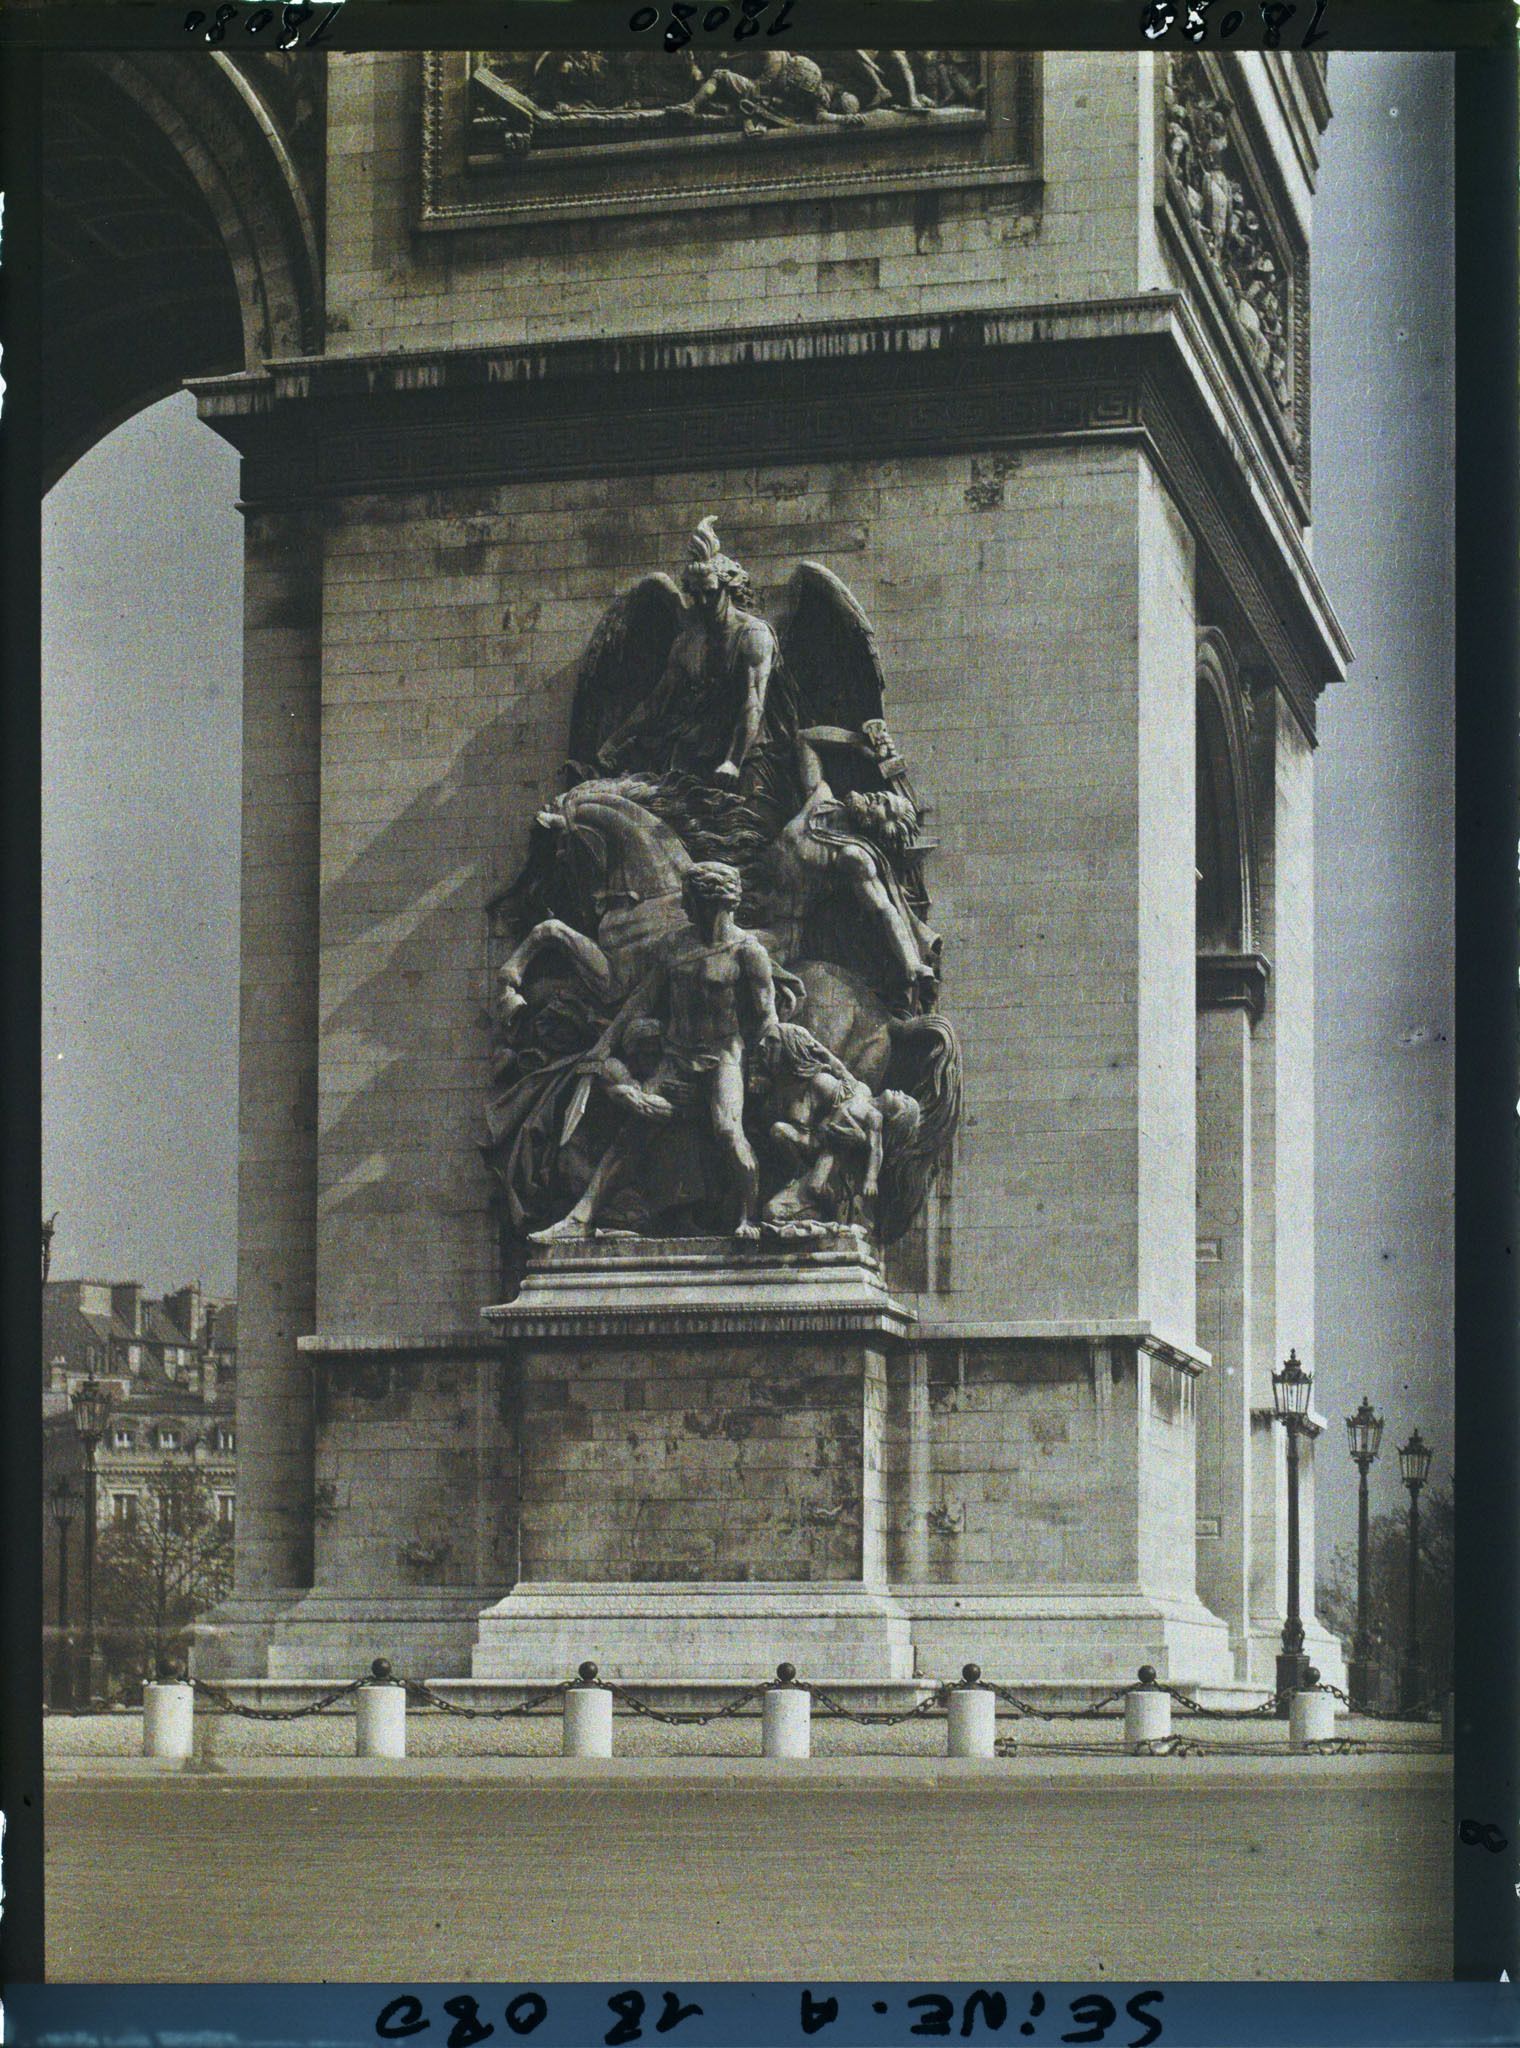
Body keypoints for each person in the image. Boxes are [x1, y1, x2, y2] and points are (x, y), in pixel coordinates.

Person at [531, 862, 780, 1240]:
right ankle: (579, 1219)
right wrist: (603, 1046)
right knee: (631, 1136)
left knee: (728, 1131)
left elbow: (766, 1017)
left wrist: (760, 1072)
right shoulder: (675, 945)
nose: (682, 905)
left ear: (709, 902)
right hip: (677, 1055)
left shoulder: (748, 952)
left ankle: (749, 1217)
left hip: (724, 1054)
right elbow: (641, 1001)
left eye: (688, 898)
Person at [597, 521, 779, 788]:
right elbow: (655, 703)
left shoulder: (753, 635)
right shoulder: (686, 643)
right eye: (695, 595)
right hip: (695, 741)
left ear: (727, 589)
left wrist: (733, 761)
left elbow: (753, 703)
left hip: (745, 744)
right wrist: (614, 741)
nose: (703, 602)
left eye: (710, 593)